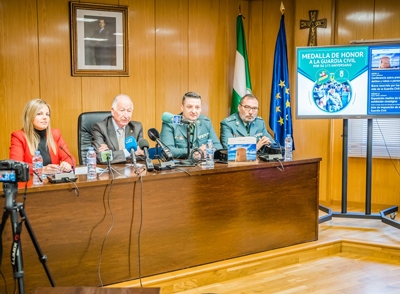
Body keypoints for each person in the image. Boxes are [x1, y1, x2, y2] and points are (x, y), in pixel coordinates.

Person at [9, 99, 76, 175]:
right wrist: (42, 170)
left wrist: (67, 164)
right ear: (30, 117)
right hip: (32, 183)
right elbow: (16, 165)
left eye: (47, 114)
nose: (45, 117)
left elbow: (70, 159)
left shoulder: (55, 134)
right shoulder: (19, 136)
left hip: (54, 183)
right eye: (39, 114)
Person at [160, 92, 223, 159]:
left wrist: (209, 151)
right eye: (189, 107)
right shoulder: (170, 123)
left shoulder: (205, 122)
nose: (194, 111)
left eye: (197, 107)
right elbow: (168, 150)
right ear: (182, 107)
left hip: (202, 166)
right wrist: (195, 152)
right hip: (180, 166)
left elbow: (218, 146)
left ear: (201, 108)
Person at [91, 94, 144, 164]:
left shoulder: (136, 127)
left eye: (129, 111)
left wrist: (112, 154)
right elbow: (102, 158)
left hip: (131, 172)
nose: (126, 115)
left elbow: (143, 155)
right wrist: (130, 152)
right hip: (109, 173)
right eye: (122, 110)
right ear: (113, 111)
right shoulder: (99, 128)